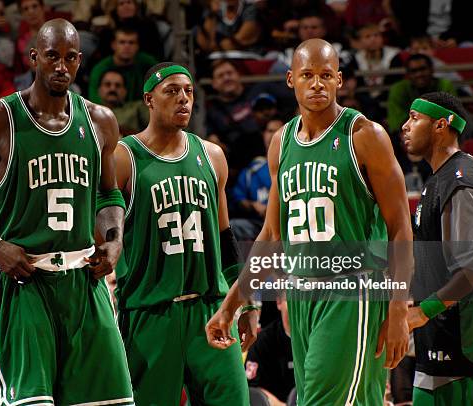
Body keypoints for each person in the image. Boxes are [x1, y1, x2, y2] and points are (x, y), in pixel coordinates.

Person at [0, 19, 134, 405]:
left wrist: (113, 240)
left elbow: (109, 197)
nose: (61, 66)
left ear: (79, 62)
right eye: (53, 56)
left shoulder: (100, 121)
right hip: (25, 284)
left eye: (70, 58)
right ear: (34, 58)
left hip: (83, 284)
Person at [206, 38, 413, 405]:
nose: (317, 83)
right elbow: (271, 234)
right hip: (301, 293)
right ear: (290, 80)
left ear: (340, 81)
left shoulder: (365, 136)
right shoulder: (281, 142)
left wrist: (399, 307)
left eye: (326, 75)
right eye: (307, 75)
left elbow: (400, 227)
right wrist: (233, 302)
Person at [114, 62, 255, 405]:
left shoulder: (212, 156)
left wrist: (245, 305)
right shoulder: (123, 157)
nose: (183, 99)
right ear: (149, 99)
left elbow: (225, 238)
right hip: (149, 314)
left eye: (189, 91)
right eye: (172, 91)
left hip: (211, 308)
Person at [401, 92, 473, 405]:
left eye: (414, 117)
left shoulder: (460, 178)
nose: (404, 126)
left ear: (441, 125)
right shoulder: (437, 180)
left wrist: (422, 312)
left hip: (466, 356)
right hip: (434, 350)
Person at [387, 54, 456, 135]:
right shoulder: (399, 89)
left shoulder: (444, 85)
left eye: (422, 69)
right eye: (414, 71)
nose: (419, 74)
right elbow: (396, 123)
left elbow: (452, 117)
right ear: (408, 74)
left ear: (431, 70)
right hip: (408, 134)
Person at [245, 294, 295, 406]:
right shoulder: (262, 342)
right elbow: (252, 388)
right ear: (279, 303)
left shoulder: (318, 340)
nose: (295, 305)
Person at [88, 24, 158, 104]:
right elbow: (93, 99)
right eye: (122, 42)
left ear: (137, 46)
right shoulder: (100, 68)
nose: (127, 46)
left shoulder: (146, 62)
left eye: (131, 43)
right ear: (113, 45)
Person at [97, 68, 149, 135]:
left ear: (125, 91)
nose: (112, 89)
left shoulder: (137, 107)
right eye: (107, 84)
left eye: (117, 85)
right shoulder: (89, 112)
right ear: (99, 90)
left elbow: (157, 126)